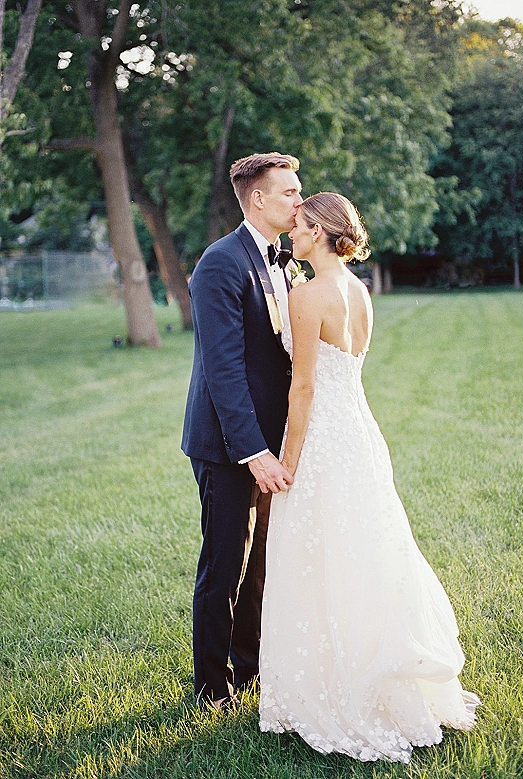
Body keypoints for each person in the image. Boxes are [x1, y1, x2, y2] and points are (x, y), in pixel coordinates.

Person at [259, 192, 480, 762]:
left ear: (320, 232)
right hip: (359, 433)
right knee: (366, 551)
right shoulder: (359, 291)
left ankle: (335, 688)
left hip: (323, 440)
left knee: (320, 555)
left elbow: (304, 387)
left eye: (300, 226)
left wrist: (288, 459)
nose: (292, 233)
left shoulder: (307, 296)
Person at [181, 152, 303, 711]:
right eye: (288, 192)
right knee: (225, 563)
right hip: (227, 443)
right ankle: (211, 688)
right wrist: (253, 451)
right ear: (257, 198)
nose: (299, 201)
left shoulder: (285, 261)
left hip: (273, 441)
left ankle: (250, 667)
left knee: (261, 564)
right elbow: (223, 369)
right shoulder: (220, 263)